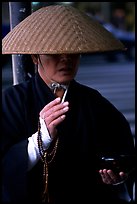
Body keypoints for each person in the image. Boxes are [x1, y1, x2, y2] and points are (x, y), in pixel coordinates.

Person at [2, 5, 135, 204]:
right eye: (55, 53)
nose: (66, 59)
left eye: (73, 53)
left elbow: (122, 154)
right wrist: (39, 141)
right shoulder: (12, 100)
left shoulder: (95, 103)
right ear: (35, 57)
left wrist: (118, 177)